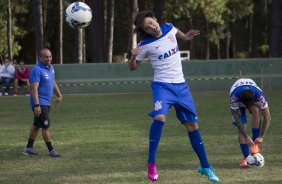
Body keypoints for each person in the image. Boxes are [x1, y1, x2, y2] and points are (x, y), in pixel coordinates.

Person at [128, 10, 219, 183]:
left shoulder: (169, 28)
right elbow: (132, 67)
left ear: (155, 19)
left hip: (181, 86)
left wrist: (186, 37)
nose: (151, 27)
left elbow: (178, 33)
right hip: (162, 86)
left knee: (192, 126)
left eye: (151, 22)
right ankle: (151, 164)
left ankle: (205, 166)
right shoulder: (145, 44)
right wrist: (132, 58)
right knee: (160, 117)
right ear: (145, 31)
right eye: (147, 27)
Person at [22, 48, 62, 157]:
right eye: (46, 57)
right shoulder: (36, 70)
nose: (48, 59)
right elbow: (34, 89)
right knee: (45, 126)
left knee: (36, 125)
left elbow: (52, 82)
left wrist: (59, 95)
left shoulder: (51, 68)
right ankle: (51, 150)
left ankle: (28, 148)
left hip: (46, 102)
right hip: (40, 102)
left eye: (50, 56)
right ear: (40, 58)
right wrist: (37, 105)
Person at [229, 78, 271, 167]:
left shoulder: (260, 96)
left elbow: (267, 117)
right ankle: (246, 158)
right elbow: (237, 120)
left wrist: (261, 136)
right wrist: (246, 136)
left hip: (253, 94)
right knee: (241, 127)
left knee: (256, 110)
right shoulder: (234, 98)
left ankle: (255, 144)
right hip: (238, 99)